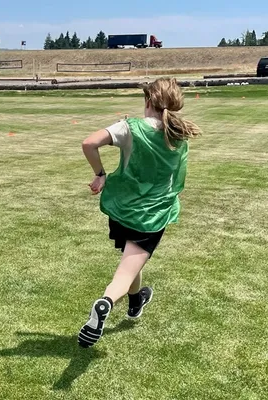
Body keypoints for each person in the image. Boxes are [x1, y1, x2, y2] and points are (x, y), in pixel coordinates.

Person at [77, 77, 201, 348]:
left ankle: (136, 301)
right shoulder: (178, 134)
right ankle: (106, 302)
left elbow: (89, 143)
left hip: (122, 208)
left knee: (131, 259)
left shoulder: (130, 127)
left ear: (147, 101)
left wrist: (100, 174)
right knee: (124, 271)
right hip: (152, 215)